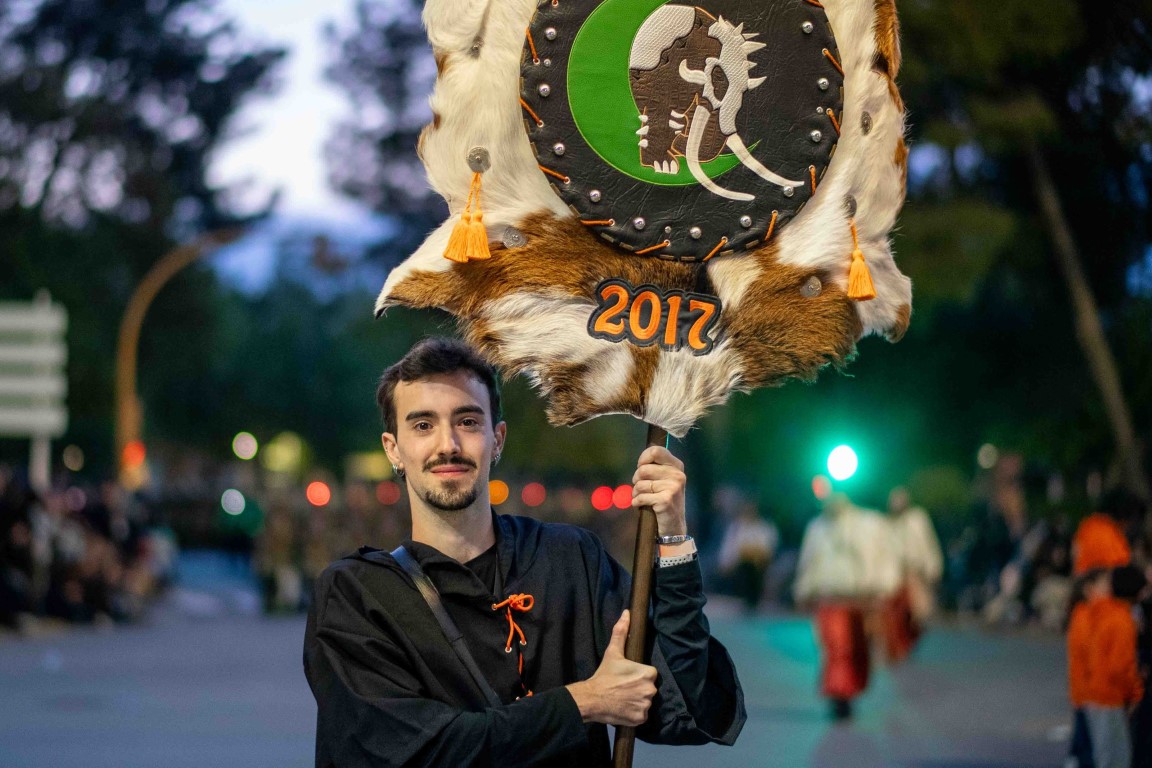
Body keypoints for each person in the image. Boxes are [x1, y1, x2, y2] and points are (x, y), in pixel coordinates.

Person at [303, 337, 745, 767]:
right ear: (394, 449)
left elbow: (687, 701)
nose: (448, 445)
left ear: (497, 439)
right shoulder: (357, 596)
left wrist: (673, 537)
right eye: (423, 425)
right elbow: (410, 752)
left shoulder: (570, 560)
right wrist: (582, 702)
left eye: (467, 421)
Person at [793, 493, 900, 720]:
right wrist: (804, 590)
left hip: (863, 600)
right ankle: (839, 693)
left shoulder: (871, 523)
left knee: (860, 650)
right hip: (831, 599)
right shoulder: (818, 528)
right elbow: (809, 561)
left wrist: (883, 589)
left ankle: (848, 692)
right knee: (838, 649)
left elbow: (884, 558)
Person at [1067, 565, 1148, 768]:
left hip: (1089, 693)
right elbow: (1120, 666)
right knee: (1114, 758)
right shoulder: (1120, 618)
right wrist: (1136, 693)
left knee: (1094, 754)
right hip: (1109, 696)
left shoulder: (1089, 614)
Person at [882, 487, 943, 663]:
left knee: (918, 613)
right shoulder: (888, 524)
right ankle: (900, 647)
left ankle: (910, 641)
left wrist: (933, 567)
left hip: (915, 572)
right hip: (895, 575)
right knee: (897, 614)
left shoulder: (918, 519)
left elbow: (928, 542)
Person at [717, 501, 778, 614]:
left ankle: (752, 598)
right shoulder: (736, 528)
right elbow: (730, 552)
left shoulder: (765, 528)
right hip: (739, 568)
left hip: (758, 567)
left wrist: (754, 555)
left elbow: (767, 552)